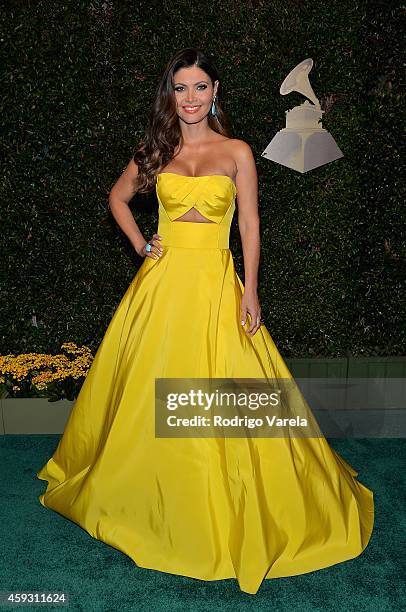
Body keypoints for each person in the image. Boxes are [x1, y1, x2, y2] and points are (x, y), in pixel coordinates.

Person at [37, 48, 374, 595]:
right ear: (170, 96)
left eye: (199, 88)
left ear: (215, 91)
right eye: (180, 89)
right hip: (162, 290)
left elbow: (251, 226)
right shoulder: (157, 150)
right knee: (147, 394)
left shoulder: (237, 151)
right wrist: (143, 245)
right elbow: (118, 199)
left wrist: (253, 290)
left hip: (219, 286)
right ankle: (152, 499)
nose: (189, 99)